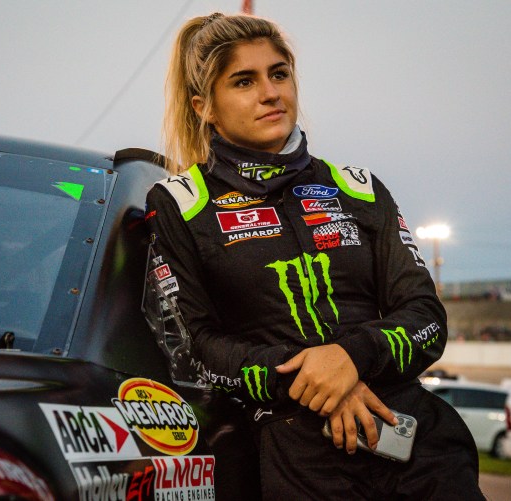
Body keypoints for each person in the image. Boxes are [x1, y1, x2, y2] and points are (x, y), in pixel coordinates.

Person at [144, 12, 484, 500]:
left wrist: (351, 357)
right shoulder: (181, 203)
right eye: (244, 81)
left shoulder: (358, 188)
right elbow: (194, 346)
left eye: (279, 74)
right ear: (205, 107)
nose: (270, 93)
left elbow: (426, 317)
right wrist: (314, 377)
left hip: (414, 442)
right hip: (297, 453)